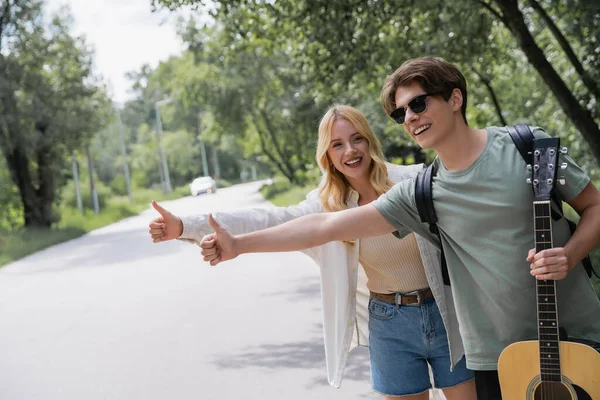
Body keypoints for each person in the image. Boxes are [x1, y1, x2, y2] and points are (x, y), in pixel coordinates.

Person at [198, 57, 600, 400]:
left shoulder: (526, 147)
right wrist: (240, 245)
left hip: (575, 335)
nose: (410, 118)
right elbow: (324, 225)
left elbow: (594, 206)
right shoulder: (422, 192)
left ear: (455, 98)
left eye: (418, 104)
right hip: (496, 357)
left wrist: (570, 253)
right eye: (400, 113)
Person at [149, 104, 477, 400]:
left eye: (357, 139)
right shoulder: (327, 206)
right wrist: (184, 226)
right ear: (328, 155)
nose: (350, 150)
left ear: (370, 141)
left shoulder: (413, 182)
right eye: (337, 144)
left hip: (445, 311)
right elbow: (267, 219)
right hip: (390, 322)